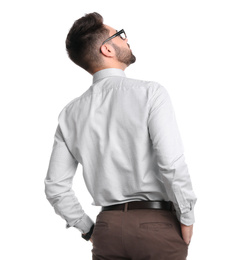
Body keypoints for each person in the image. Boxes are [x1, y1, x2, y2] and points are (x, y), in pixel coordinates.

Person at [44, 12, 197, 260]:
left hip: (107, 230)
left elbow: (56, 188)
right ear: (107, 49)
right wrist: (187, 217)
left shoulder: (69, 114)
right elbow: (171, 165)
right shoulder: (150, 94)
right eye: (120, 36)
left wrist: (90, 230)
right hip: (157, 227)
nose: (126, 40)